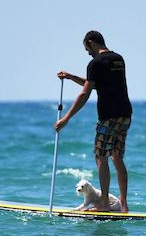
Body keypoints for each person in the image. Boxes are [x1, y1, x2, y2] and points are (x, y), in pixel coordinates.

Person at [54, 30, 133, 213]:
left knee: (101, 156)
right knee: (117, 157)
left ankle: (104, 203)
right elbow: (96, 84)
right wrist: (72, 77)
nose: (88, 53)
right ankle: (123, 205)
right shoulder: (118, 59)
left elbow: (85, 93)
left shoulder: (95, 63)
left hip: (108, 116)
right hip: (125, 114)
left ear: (91, 42)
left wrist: (66, 118)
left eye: (87, 49)